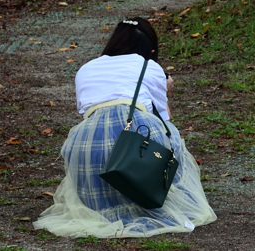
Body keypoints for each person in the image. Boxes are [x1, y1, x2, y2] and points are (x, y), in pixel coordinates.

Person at [34, 17, 216, 238]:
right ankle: (155, 199)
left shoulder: (85, 69)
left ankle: (102, 205)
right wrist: (165, 89)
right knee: (172, 137)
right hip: (135, 132)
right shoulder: (150, 67)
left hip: (87, 141)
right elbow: (164, 118)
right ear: (150, 49)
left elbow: (86, 111)